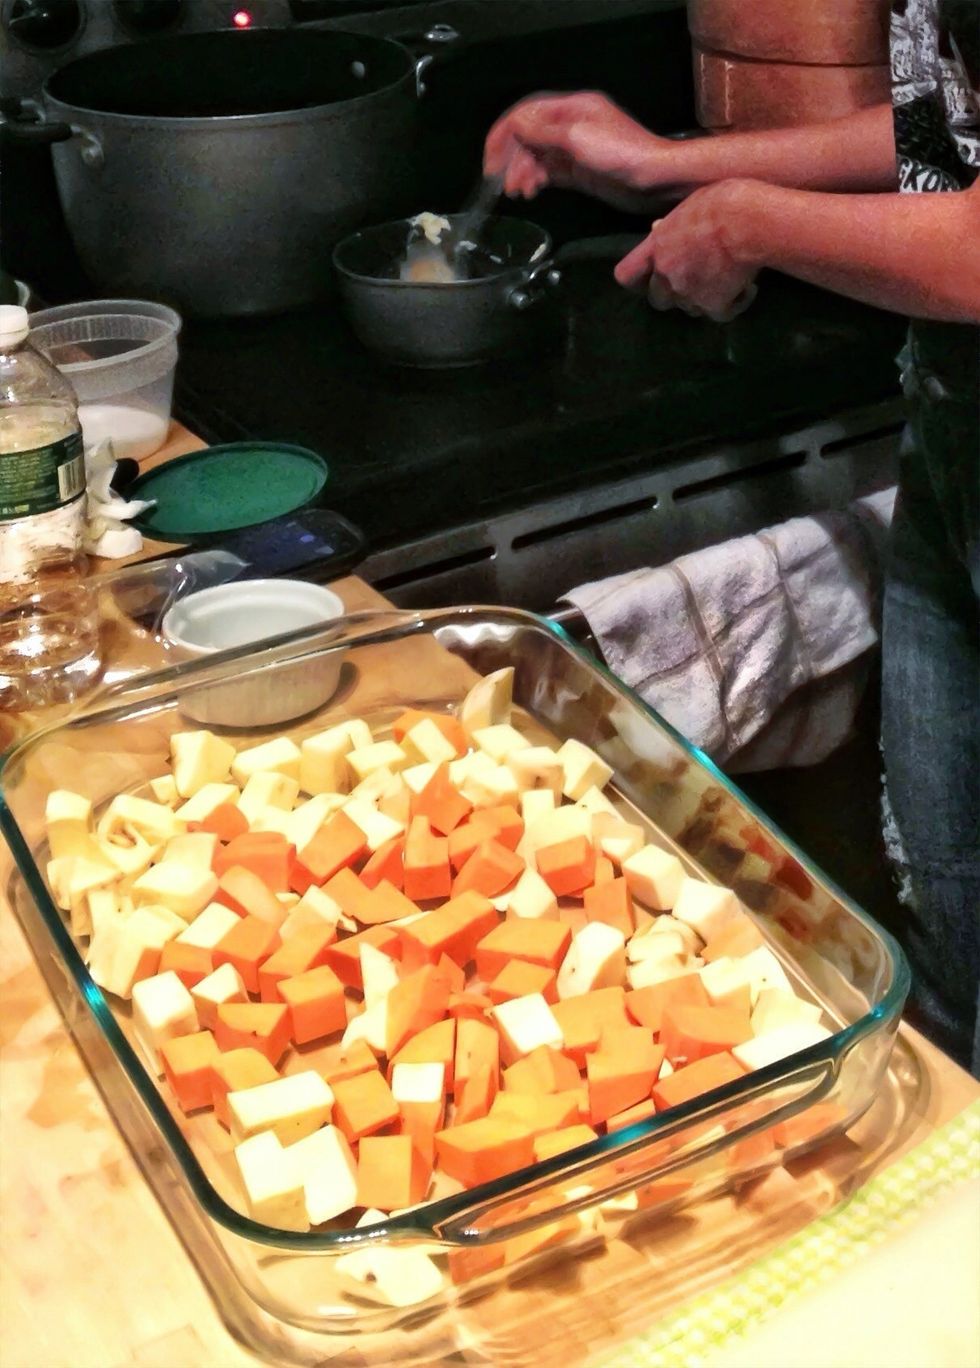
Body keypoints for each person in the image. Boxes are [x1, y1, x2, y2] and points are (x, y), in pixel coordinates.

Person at [484, 0, 979, 1077]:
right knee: (949, 934)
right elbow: (946, 127)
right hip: (953, 429)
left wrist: (751, 220)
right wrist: (673, 168)